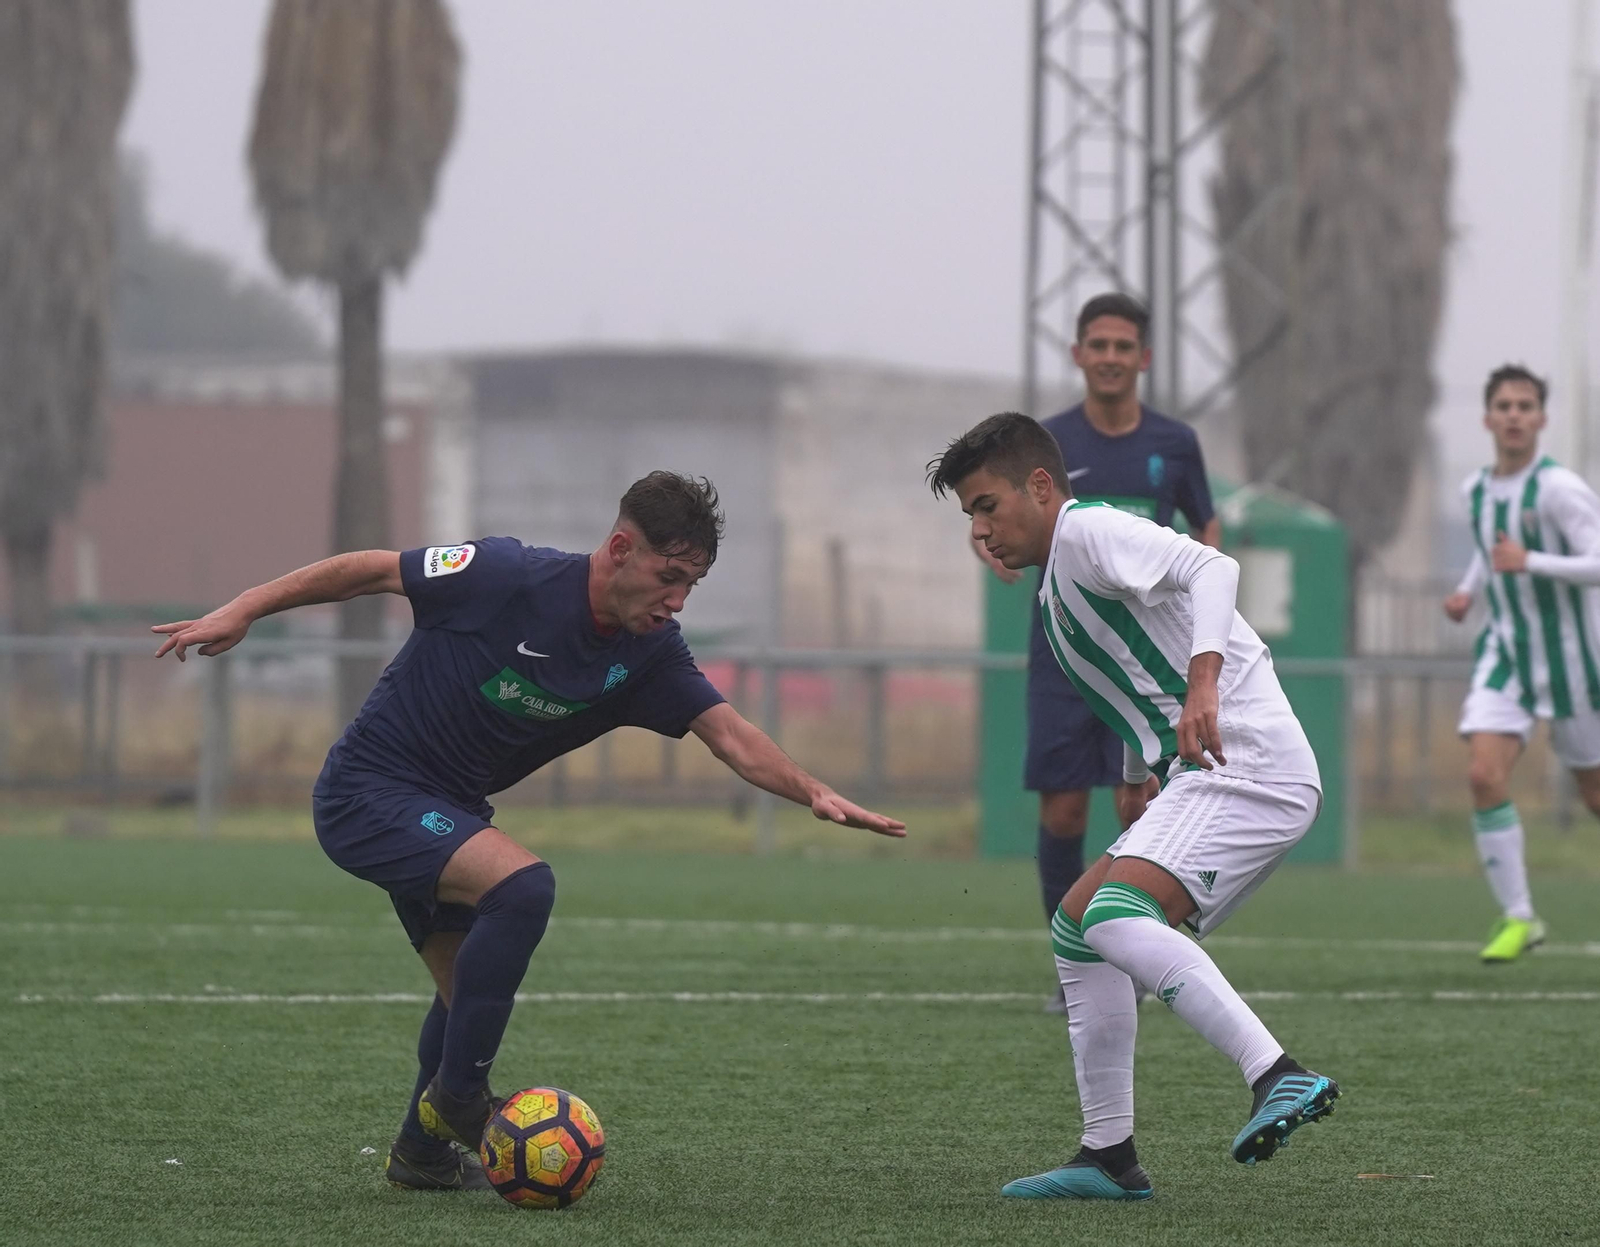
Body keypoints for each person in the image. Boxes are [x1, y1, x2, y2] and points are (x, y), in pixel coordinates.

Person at [153, 471, 905, 1191]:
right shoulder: (502, 573)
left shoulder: (647, 654)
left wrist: (811, 790)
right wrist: (245, 606)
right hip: (368, 791)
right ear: (619, 549)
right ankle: (462, 1099)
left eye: (691, 586)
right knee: (523, 886)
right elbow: (368, 569)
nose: (676, 600)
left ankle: (422, 1153)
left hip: (450, 810)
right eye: (668, 576)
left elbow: (732, 735)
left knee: (461, 992)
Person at [929, 413, 1337, 1200]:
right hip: (1202, 767)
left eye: (987, 505)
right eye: (970, 515)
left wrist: (1206, 681)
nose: (981, 529)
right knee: (1077, 926)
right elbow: (1138, 656)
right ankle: (1108, 1155)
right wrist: (1131, 769)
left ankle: (1278, 1073)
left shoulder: (1086, 530)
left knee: (1113, 913)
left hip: (1244, 759)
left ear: (1040, 487)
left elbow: (1212, 568)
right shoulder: (1058, 579)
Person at [975, 293, 1218, 1011]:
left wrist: (1200, 610)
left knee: (1143, 808)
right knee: (1062, 815)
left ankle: (1139, 953)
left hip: (1145, 656)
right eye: (1097, 345)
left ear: (1143, 358)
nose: (1110, 357)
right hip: (1067, 651)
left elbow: (1206, 527)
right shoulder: (1044, 445)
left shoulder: (1174, 444)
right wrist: (985, 534)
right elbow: (996, 510)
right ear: (1077, 354)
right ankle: (1073, 960)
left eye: (1123, 346)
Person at [1442, 364, 1600, 962]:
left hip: (1573, 663)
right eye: (1504, 405)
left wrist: (1532, 561)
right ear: (1488, 418)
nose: (1514, 415)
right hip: (1505, 655)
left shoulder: (1559, 489)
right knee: (1483, 775)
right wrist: (1466, 589)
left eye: (1525, 405)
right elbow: (1491, 554)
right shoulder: (1475, 489)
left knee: (1594, 795)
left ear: (1541, 419)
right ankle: (1520, 917)